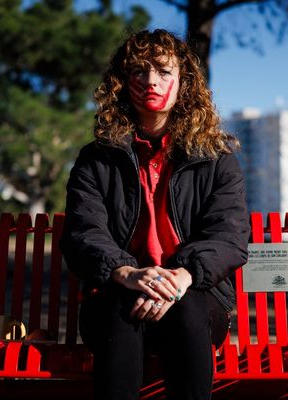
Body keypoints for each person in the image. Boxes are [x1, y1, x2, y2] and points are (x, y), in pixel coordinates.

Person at [60, 29, 249, 400]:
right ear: (121, 82)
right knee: (121, 309)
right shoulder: (97, 159)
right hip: (117, 292)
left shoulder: (216, 159)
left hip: (196, 294)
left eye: (164, 71)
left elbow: (229, 236)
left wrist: (182, 276)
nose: (151, 81)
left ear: (184, 83)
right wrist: (128, 273)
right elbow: (84, 232)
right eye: (139, 71)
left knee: (188, 310)